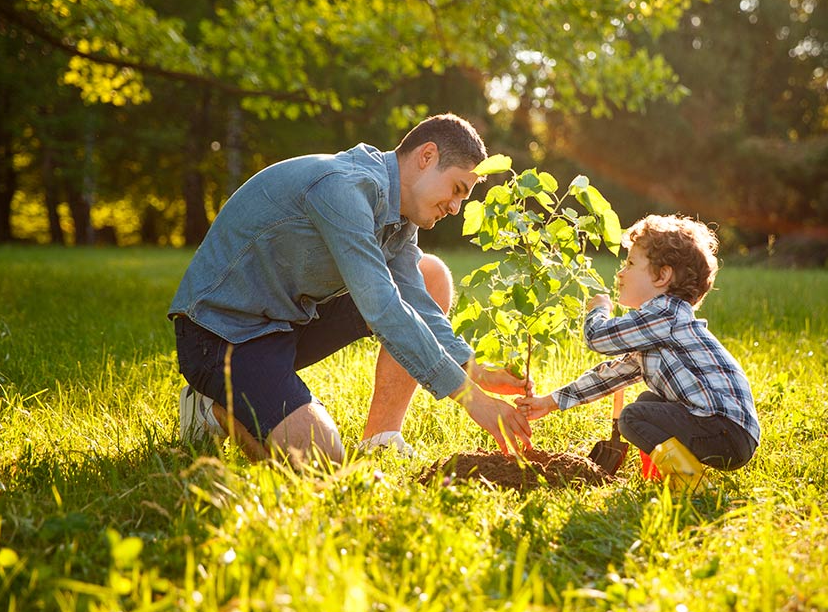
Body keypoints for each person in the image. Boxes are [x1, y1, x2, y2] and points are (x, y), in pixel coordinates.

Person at [169, 114, 532, 466]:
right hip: (222, 335)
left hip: (285, 322)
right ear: (427, 156)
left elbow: (416, 301)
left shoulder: (400, 217)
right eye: (457, 190)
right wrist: (472, 400)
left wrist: (472, 369)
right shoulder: (344, 188)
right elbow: (383, 307)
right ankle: (211, 409)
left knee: (430, 275)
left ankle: (381, 439)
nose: (455, 208)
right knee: (322, 460)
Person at [515, 214, 759, 487]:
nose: (620, 272)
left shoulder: (664, 314)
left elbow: (597, 338)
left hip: (724, 430)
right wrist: (549, 402)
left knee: (632, 417)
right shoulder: (659, 328)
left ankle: (691, 484)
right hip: (728, 431)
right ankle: (661, 477)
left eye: (630, 263)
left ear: (662, 276)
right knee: (646, 402)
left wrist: (599, 310)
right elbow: (610, 375)